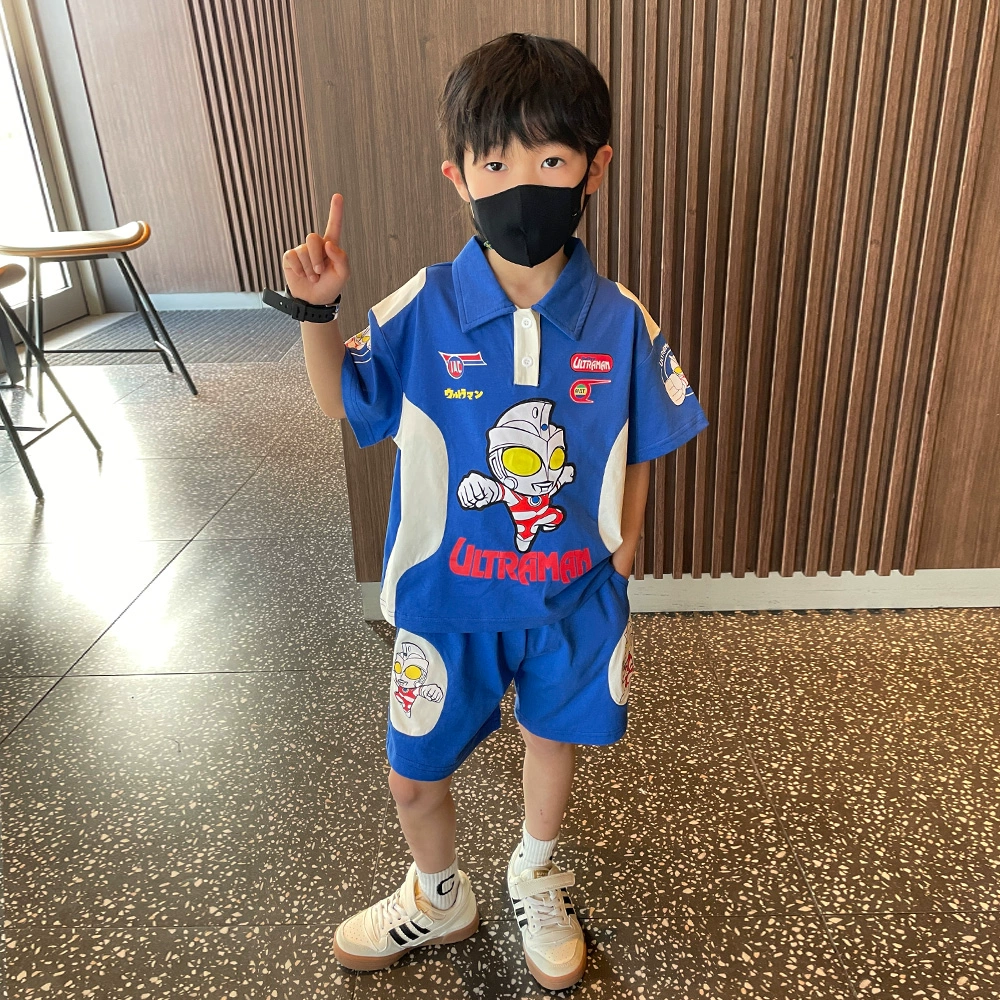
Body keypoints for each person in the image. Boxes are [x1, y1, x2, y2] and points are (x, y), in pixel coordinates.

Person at [277, 32, 709, 991]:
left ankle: (536, 871)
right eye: (497, 163)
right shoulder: (424, 307)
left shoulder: (620, 317)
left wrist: (628, 539)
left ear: (595, 167)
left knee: (552, 739)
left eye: (551, 160)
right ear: (459, 178)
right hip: (447, 602)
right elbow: (344, 400)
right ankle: (438, 894)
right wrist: (320, 314)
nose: (523, 184)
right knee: (412, 775)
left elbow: (650, 428)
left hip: (569, 599)